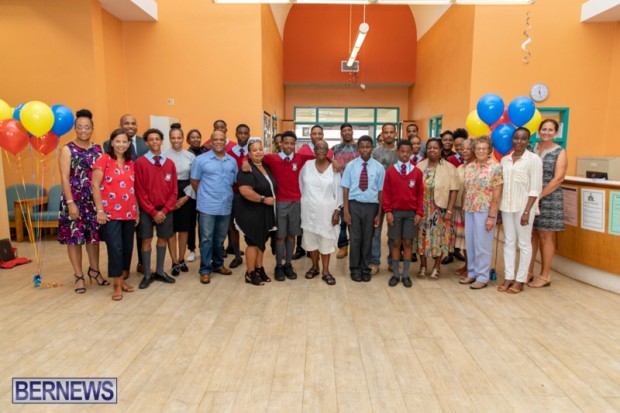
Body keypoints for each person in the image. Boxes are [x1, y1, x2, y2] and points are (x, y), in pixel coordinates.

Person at [58, 109, 105, 293]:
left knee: (93, 238)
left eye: (87, 127)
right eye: (80, 127)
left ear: (92, 128)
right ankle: (78, 276)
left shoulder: (98, 149)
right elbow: (64, 178)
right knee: (74, 239)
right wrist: (70, 203)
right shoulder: (67, 149)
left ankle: (95, 271)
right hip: (74, 200)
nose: (83, 130)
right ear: (75, 128)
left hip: (93, 200)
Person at [257, 131, 313, 281]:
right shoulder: (272, 158)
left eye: (292, 144)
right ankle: (279, 266)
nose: (288, 146)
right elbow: (254, 156)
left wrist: (332, 161)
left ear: (295, 145)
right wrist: (244, 162)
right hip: (280, 203)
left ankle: (288, 264)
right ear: (280, 144)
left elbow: (321, 155)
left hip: (296, 202)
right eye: (286, 143)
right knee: (280, 236)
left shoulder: (300, 158)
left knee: (291, 235)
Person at [92, 128, 137, 300]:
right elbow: (95, 185)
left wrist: (137, 212)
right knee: (115, 248)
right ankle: (117, 285)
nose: (121, 144)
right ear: (111, 142)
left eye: (124, 141)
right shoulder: (104, 159)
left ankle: (122, 279)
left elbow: (133, 189)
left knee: (127, 247)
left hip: (129, 212)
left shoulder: (130, 163)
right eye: (118, 141)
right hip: (109, 213)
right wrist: (100, 210)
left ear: (129, 144)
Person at [499, 128, 543, 294]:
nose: (519, 141)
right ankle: (509, 276)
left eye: (523, 139)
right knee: (508, 242)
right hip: (506, 206)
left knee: (524, 243)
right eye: (516, 138)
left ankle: (520, 279)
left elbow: (535, 188)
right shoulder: (504, 160)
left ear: (528, 141)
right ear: (512, 139)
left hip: (524, 207)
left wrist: (526, 212)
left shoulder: (533, 159)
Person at [190, 130, 237, 285]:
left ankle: (218, 265)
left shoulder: (231, 161)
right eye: (215, 139)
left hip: (225, 205)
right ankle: (205, 269)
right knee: (206, 239)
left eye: (221, 139)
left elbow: (234, 181)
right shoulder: (200, 160)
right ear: (210, 141)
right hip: (207, 206)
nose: (218, 142)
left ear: (225, 141)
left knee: (219, 238)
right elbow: (194, 181)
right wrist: (205, 195)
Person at [105, 114, 148, 276]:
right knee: (118, 241)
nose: (130, 126)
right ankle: (122, 271)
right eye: (126, 123)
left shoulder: (145, 143)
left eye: (133, 123)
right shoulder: (107, 146)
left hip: (140, 195)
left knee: (142, 233)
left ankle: (142, 263)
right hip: (117, 200)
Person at [135, 128, 177, 289]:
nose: (154, 142)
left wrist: (164, 210)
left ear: (161, 141)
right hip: (147, 209)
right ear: (146, 143)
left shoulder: (169, 163)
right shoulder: (140, 163)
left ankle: (160, 271)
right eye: (151, 139)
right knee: (146, 240)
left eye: (157, 139)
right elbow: (139, 190)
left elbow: (174, 191)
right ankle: (147, 274)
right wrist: (153, 211)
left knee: (163, 238)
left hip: (165, 209)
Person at [460, 136, 503, 290]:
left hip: (485, 211)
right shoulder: (469, 167)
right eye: (478, 148)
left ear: (490, 150)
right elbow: (466, 190)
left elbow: (497, 195)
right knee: (470, 243)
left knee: (482, 245)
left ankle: (482, 277)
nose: (481, 151)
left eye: (484, 148)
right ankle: (471, 273)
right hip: (470, 209)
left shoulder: (495, 168)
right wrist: (464, 209)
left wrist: (492, 217)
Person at [528, 119, 567, 288]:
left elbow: (558, 178)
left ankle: (545, 276)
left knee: (545, 236)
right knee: (531, 235)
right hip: (531, 197)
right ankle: (528, 272)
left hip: (549, 198)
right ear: (539, 131)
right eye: (544, 129)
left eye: (550, 130)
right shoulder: (533, 149)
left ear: (556, 133)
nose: (546, 132)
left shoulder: (560, 151)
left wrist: (540, 196)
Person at [341, 135, 385, 282]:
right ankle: (354, 268)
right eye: (362, 147)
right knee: (355, 239)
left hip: (371, 206)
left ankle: (365, 268)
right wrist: (346, 211)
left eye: (368, 147)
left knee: (368, 238)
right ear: (358, 148)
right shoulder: (351, 166)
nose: (365, 150)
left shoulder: (379, 167)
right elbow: (345, 189)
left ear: (372, 148)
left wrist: (379, 213)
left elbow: (381, 192)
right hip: (354, 205)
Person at [299, 139, 342, 285]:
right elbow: (301, 184)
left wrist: (337, 210)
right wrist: (306, 200)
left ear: (328, 151)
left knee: (325, 240)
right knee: (311, 240)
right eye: (318, 148)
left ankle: (326, 271)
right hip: (308, 210)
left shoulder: (333, 168)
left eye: (324, 148)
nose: (321, 151)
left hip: (327, 212)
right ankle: (314, 267)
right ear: (314, 151)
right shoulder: (307, 165)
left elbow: (339, 190)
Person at [235, 137, 277, 286]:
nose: (258, 152)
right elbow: (245, 191)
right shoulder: (246, 170)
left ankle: (259, 269)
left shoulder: (265, 166)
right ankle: (250, 272)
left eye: (260, 149)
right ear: (249, 153)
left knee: (261, 242)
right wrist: (263, 199)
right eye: (254, 150)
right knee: (253, 242)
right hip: (251, 212)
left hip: (264, 212)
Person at [382, 140, 424, 288]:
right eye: (402, 151)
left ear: (412, 152)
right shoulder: (390, 171)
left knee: (407, 243)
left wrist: (419, 212)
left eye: (408, 152)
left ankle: (405, 275)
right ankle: (395, 274)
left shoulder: (417, 172)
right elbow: (386, 194)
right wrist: (388, 211)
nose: (405, 154)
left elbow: (420, 194)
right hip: (395, 213)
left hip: (411, 213)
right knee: (395, 242)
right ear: (397, 152)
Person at [416, 138, 458, 280]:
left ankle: (436, 266)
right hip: (422, 209)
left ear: (441, 150)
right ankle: (423, 266)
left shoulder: (449, 168)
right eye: (429, 148)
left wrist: (449, 210)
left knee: (439, 238)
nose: (432, 150)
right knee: (421, 237)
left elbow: (454, 190)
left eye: (435, 148)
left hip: (440, 210)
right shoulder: (420, 166)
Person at [294, 124, 333, 260]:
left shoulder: (329, 153)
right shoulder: (303, 150)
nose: (317, 136)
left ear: (323, 135)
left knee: (322, 230)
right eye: (314, 133)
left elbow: (330, 162)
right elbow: (301, 178)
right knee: (306, 228)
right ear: (310, 135)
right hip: (309, 193)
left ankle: (317, 257)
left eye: (319, 133)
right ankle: (301, 249)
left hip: (324, 198)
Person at [164, 123, 196, 276]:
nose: (176, 140)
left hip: (186, 193)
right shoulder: (163, 156)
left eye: (179, 137)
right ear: (169, 139)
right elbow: (161, 180)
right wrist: (170, 201)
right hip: (168, 193)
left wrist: (186, 197)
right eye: (173, 138)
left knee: (184, 229)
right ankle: (174, 261)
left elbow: (194, 179)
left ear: (183, 138)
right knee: (171, 230)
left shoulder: (190, 156)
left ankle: (182, 258)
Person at [370, 123, 399, 275]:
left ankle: (393, 262)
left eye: (391, 132)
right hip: (378, 197)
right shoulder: (375, 152)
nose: (388, 135)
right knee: (375, 232)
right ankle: (374, 262)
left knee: (394, 233)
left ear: (395, 134)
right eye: (385, 132)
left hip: (396, 198)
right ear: (382, 134)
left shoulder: (400, 152)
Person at [332, 123, 360, 259]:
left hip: (357, 188)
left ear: (352, 131)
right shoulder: (335, 149)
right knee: (342, 220)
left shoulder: (360, 147)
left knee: (354, 221)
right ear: (341, 133)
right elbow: (329, 162)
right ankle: (343, 246)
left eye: (349, 130)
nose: (347, 132)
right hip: (340, 187)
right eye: (344, 130)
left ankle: (355, 246)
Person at [225, 124, 251, 268]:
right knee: (233, 226)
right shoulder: (228, 153)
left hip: (250, 193)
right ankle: (236, 255)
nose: (243, 136)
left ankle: (251, 254)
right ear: (236, 134)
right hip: (234, 193)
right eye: (240, 133)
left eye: (245, 133)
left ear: (249, 135)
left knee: (249, 225)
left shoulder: (253, 152)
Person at [443, 128, 469, 265]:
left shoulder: (471, 162)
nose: (460, 148)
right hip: (454, 201)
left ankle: (459, 252)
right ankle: (449, 253)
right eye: (457, 145)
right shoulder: (450, 160)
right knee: (452, 229)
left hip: (467, 204)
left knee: (463, 233)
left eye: (462, 145)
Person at [455, 138, 475, 278]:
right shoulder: (460, 168)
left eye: (468, 148)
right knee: (464, 240)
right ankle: (467, 265)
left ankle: (472, 267)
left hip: (471, 209)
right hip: (458, 207)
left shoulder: (477, 167)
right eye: (462, 149)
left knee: (471, 240)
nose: (464, 151)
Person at [186, 128, 206, 263]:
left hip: (204, 192)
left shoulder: (206, 153)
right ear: (188, 140)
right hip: (191, 193)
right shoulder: (186, 154)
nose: (195, 139)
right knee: (191, 222)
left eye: (197, 137)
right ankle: (192, 249)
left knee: (203, 224)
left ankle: (203, 249)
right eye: (192, 137)